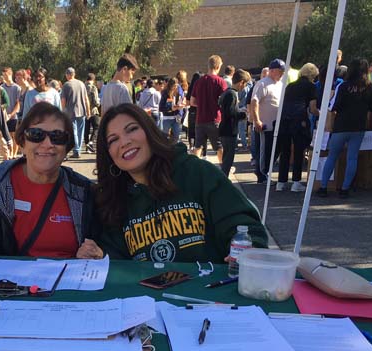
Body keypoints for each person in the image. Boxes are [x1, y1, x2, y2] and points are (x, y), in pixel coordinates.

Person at [89, 103, 268, 263]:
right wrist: (100, 254)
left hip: (209, 292)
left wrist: (249, 250)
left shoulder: (197, 173)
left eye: (132, 129)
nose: (125, 142)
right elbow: (117, 257)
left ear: (150, 132)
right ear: (109, 155)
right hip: (148, 297)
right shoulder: (114, 199)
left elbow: (243, 226)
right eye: (113, 140)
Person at [0, 102, 97, 258]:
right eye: (36, 134)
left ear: (67, 147)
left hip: (69, 278)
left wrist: (95, 253)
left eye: (57, 137)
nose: (47, 144)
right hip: (9, 279)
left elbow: (107, 247)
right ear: (22, 142)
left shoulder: (84, 191)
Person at [318, 59, 372, 199]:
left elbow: (333, 107)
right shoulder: (369, 87)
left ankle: (324, 187)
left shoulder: (343, 86)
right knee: (352, 158)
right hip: (359, 127)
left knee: (332, 156)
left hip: (341, 126)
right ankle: (345, 188)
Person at [276, 63, 320, 192]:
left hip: (284, 119)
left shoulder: (290, 86)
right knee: (299, 150)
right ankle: (296, 182)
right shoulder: (311, 87)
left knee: (285, 151)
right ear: (312, 75)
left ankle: (281, 182)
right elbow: (312, 108)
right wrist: (321, 114)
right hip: (299, 119)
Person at [251, 59, 286, 185]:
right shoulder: (262, 84)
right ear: (272, 71)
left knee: (274, 150)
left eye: (283, 71)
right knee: (264, 151)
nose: (282, 73)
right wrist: (257, 120)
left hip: (277, 125)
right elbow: (255, 102)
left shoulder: (281, 85)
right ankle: (262, 174)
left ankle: (266, 172)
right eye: (280, 71)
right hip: (265, 125)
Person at [192, 55, 228, 163]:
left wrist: (203, 104)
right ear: (218, 66)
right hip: (215, 119)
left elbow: (192, 101)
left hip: (200, 119)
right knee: (219, 146)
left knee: (198, 146)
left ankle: (195, 169)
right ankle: (224, 168)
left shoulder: (199, 81)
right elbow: (226, 101)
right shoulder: (221, 82)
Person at [218, 69, 250, 178]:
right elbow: (230, 113)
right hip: (228, 130)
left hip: (226, 130)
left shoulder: (228, 92)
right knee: (228, 160)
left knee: (227, 159)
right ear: (241, 82)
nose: (244, 87)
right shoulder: (232, 94)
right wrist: (243, 115)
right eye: (245, 84)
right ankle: (223, 181)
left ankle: (223, 179)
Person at [61, 67, 90, 159]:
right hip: (82, 110)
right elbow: (86, 99)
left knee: (74, 132)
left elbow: (63, 100)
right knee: (80, 131)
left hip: (71, 112)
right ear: (74, 74)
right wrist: (88, 111)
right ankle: (78, 149)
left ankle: (76, 150)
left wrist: (63, 111)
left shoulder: (66, 85)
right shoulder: (81, 84)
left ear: (68, 75)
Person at [1, 67, 22, 157]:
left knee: (14, 136)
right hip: (5, 116)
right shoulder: (1, 87)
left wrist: (12, 114)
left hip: (14, 116)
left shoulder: (17, 88)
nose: (4, 77)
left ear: (10, 74)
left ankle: (13, 154)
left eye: (6, 75)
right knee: (7, 136)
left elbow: (18, 103)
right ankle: (9, 154)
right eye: (3, 75)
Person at [159, 78, 186, 142]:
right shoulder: (165, 93)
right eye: (174, 86)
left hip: (177, 117)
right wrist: (171, 108)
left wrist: (183, 104)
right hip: (167, 118)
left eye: (177, 86)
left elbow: (183, 99)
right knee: (164, 137)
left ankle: (175, 150)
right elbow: (161, 108)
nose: (175, 88)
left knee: (177, 136)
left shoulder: (179, 92)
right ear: (170, 86)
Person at [84, 72, 101, 153]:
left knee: (86, 129)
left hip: (84, 111)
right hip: (93, 110)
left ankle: (87, 144)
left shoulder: (82, 87)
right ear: (93, 79)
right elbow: (95, 100)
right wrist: (99, 103)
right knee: (97, 127)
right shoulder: (93, 87)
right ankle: (90, 143)